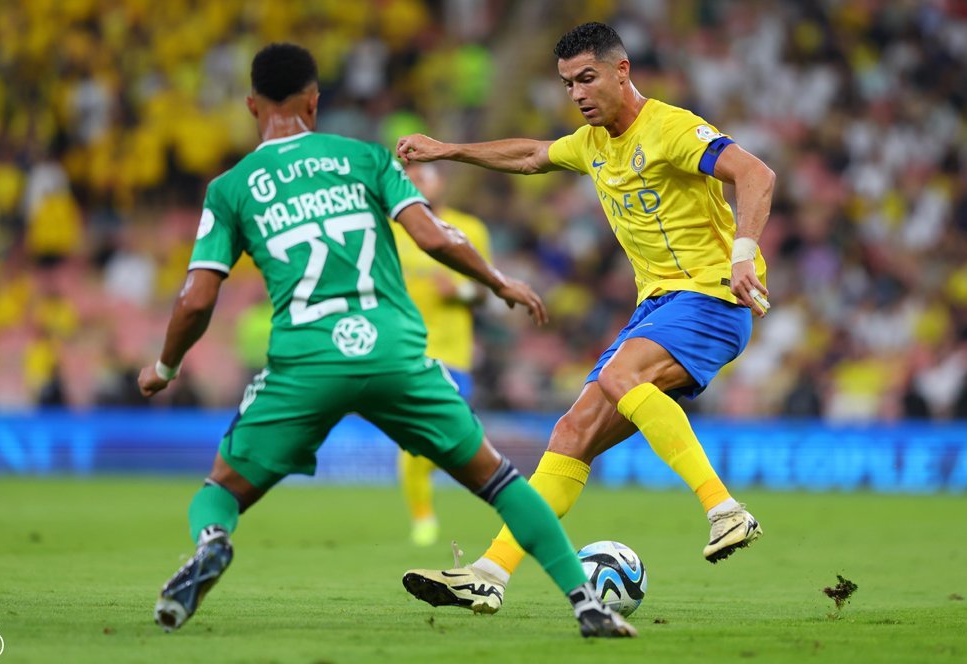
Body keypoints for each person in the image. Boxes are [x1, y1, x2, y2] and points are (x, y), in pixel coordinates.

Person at [137, 42, 635, 638]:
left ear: (251, 105)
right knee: (501, 481)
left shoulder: (231, 188)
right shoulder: (366, 159)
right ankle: (586, 604)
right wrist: (500, 283)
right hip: (395, 352)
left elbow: (196, 299)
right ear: (314, 104)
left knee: (220, 489)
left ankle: (214, 541)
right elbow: (434, 238)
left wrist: (165, 369)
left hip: (306, 361)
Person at [397, 22, 775, 614]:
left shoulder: (671, 128)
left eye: (587, 78)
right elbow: (529, 155)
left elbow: (757, 174)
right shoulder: (591, 144)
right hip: (658, 307)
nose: (576, 93)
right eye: (568, 82)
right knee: (571, 434)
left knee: (623, 378)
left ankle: (725, 510)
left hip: (711, 298)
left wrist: (744, 254)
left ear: (622, 71)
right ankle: (489, 573)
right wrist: (449, 151)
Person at [394, 162, 491, 547]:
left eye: (423, 178)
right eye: (409, 180)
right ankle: (423, 519)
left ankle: (478, 484)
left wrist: (460, 291)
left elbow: (486, 288)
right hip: (404, 349)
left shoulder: (470, 229)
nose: (415, 185)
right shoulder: (391, 230)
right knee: (413, 438)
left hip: (453, 353)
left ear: (441, 183)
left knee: (443, 438)